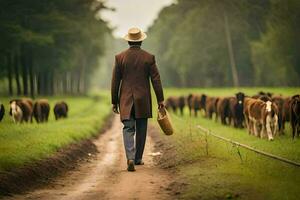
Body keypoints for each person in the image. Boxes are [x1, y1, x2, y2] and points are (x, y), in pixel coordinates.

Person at [111, 27, 164, 172]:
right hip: (143, 100)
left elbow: (115, 81)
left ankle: (130, 158)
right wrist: (160, 100)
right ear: (141, 41)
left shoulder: (120, 57)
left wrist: (114, 101)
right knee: (141, 129)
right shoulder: (149, 57)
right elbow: (156, 80)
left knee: (128, 128)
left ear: (128, 40)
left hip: (126, 100)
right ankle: (138, 158)